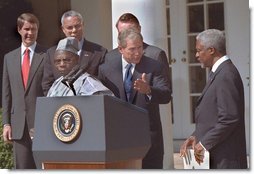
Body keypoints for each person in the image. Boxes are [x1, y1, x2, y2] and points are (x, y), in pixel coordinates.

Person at [98, 28, 171, 169]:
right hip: (117, 141)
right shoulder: (107, 67)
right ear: (121, 49)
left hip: (148, 139)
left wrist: (149, 90)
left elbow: (166, 95)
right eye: (132, 49)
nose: (138, 52)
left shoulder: (154, 66)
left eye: (140, 47)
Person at [179, 29, 247, 169]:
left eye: (199, 50)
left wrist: (204, 143)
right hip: (217, 157)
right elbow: (213, 116)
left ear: (211, 50)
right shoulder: (217, 72)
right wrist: (196, 135)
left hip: (226, 160)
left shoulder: (226, 74)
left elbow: (229, 118)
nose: (196, 55)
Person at [2, 13, 46, 169]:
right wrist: (6, 123)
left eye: (34, 29)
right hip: (18, 125)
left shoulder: (46, 55)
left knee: (44, 168)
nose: (30, 33)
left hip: (42, 124)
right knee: (21, 169)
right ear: (19, 29)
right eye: (27, 29)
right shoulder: (9, 58)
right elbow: (6, 94)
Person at [42, 10, 107, 95]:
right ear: (63, 29)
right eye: (69, 27)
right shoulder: (52, 53)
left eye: (77, 26)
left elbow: (102, 81)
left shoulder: (99, 52)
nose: (74, 30)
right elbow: (47, 84)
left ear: (82, 25)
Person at [107, 13, 170, 82]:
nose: (127, 35)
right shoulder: (110, 57)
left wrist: (148, 90)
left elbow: (165, 90)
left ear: (139, 29)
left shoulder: (156, 55)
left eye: (130, 31)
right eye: (122, 33)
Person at [47, 37, 113, 97]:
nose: (62, 64)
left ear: (77, 59)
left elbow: (106, 104)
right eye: (57, 61)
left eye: (66, 60)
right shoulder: (56, 84)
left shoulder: (89, 84)